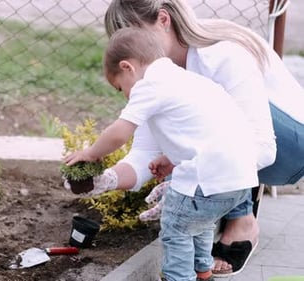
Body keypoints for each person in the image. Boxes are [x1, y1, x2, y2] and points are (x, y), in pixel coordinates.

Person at [92, 0, 304, 276]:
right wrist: (106, 179)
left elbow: (264, 148)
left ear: (164, 20)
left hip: (290, 145)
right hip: (231, 152)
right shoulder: (153, 80)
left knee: (200, 140)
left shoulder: (221, 54)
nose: (131, 46)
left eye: (134, 33)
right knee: (188, 146)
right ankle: (226, 205)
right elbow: (145, 153)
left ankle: (243, 220)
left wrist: (194, 178)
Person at [64, 26, 259, 281]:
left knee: (176, 228)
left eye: (120, 88)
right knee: (198, 224)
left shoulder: (149, 85)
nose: (125, 96)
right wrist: (173, 158)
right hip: (241, 181)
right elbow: (208, 132)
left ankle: (178, 278)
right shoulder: (186, 80)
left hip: (208, 177)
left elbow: (119, 133)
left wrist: (90, 153)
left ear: (127, 68)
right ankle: (203, 271)